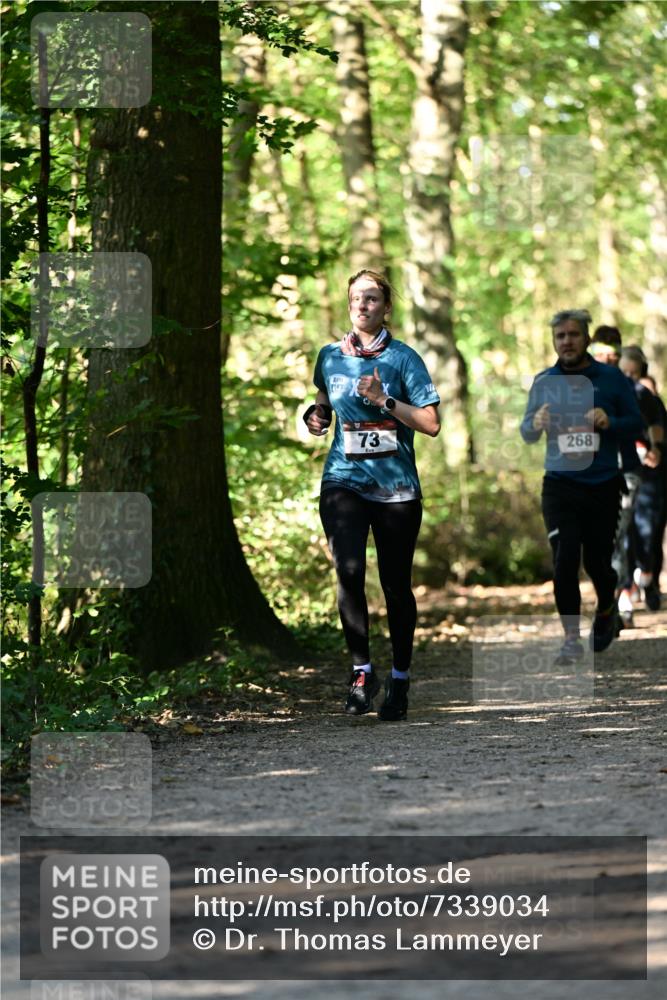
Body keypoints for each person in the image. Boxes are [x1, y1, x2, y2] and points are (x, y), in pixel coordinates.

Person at [304, 269, 440, 720]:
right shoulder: (329, 356)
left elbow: (431, 424)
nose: (362, 305)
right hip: (343, 479)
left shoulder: (404, 359)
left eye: (372, 298)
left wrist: (385, 400)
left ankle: (400, 678)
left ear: (386, 307)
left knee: (396, 585)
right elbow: (323, 403)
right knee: (348, 570)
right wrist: (315, 417)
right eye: (355, 298)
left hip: (396, 487)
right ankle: (362, 672)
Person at [520, 309, 643, 663]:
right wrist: (536, 422)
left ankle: (606, 607)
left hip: (603, 483)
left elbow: (635, 424)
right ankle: (571, 638)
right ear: (553, 341)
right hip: (560, 484)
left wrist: (610, 420)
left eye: (574, 334)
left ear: (587, 338)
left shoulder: (611, 378)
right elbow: (527, 433)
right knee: (564, 558)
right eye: (560, 336)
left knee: (598, 563)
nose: (567, 342)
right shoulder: (544, 381)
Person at [617, 346, 665, 617]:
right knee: (623, 533)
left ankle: (647, 576)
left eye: (633, 373)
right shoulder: (608, 396)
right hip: (621, 476)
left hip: (652, 480)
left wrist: (655, 449)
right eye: (624, 371)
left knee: (648, 534)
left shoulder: (647, 399)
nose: (628, 377)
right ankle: (624, 591)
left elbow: (658, 429)